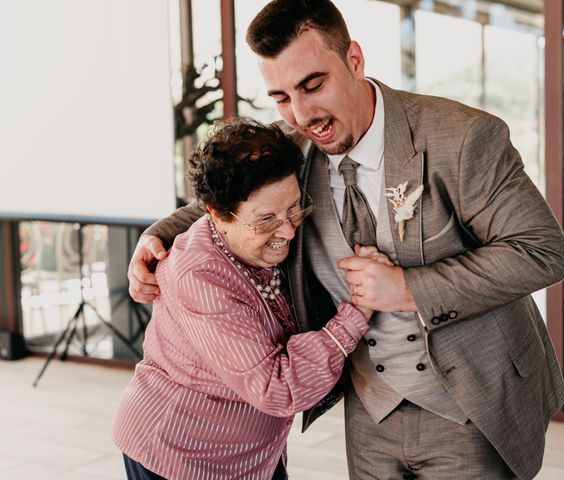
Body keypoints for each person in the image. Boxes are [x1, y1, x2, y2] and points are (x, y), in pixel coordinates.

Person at [128, 1, 564, 479]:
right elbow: (227, 201)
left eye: (313, 85)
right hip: (369, 408)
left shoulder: (462, 138)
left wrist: (407, 288)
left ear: (354, 60)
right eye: (280, 97)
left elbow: (541, 251)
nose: (300, 114)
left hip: (468, 402)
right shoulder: (293, 145)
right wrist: (156, 236)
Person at [112, 118, 372, 480]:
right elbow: (277, 387)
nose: (287, 230)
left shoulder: (256, 235)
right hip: (179, 455)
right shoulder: (198, 276)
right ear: (217, 214)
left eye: (295, 208)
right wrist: (356, 313)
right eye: (266, 220)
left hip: (251, 457)